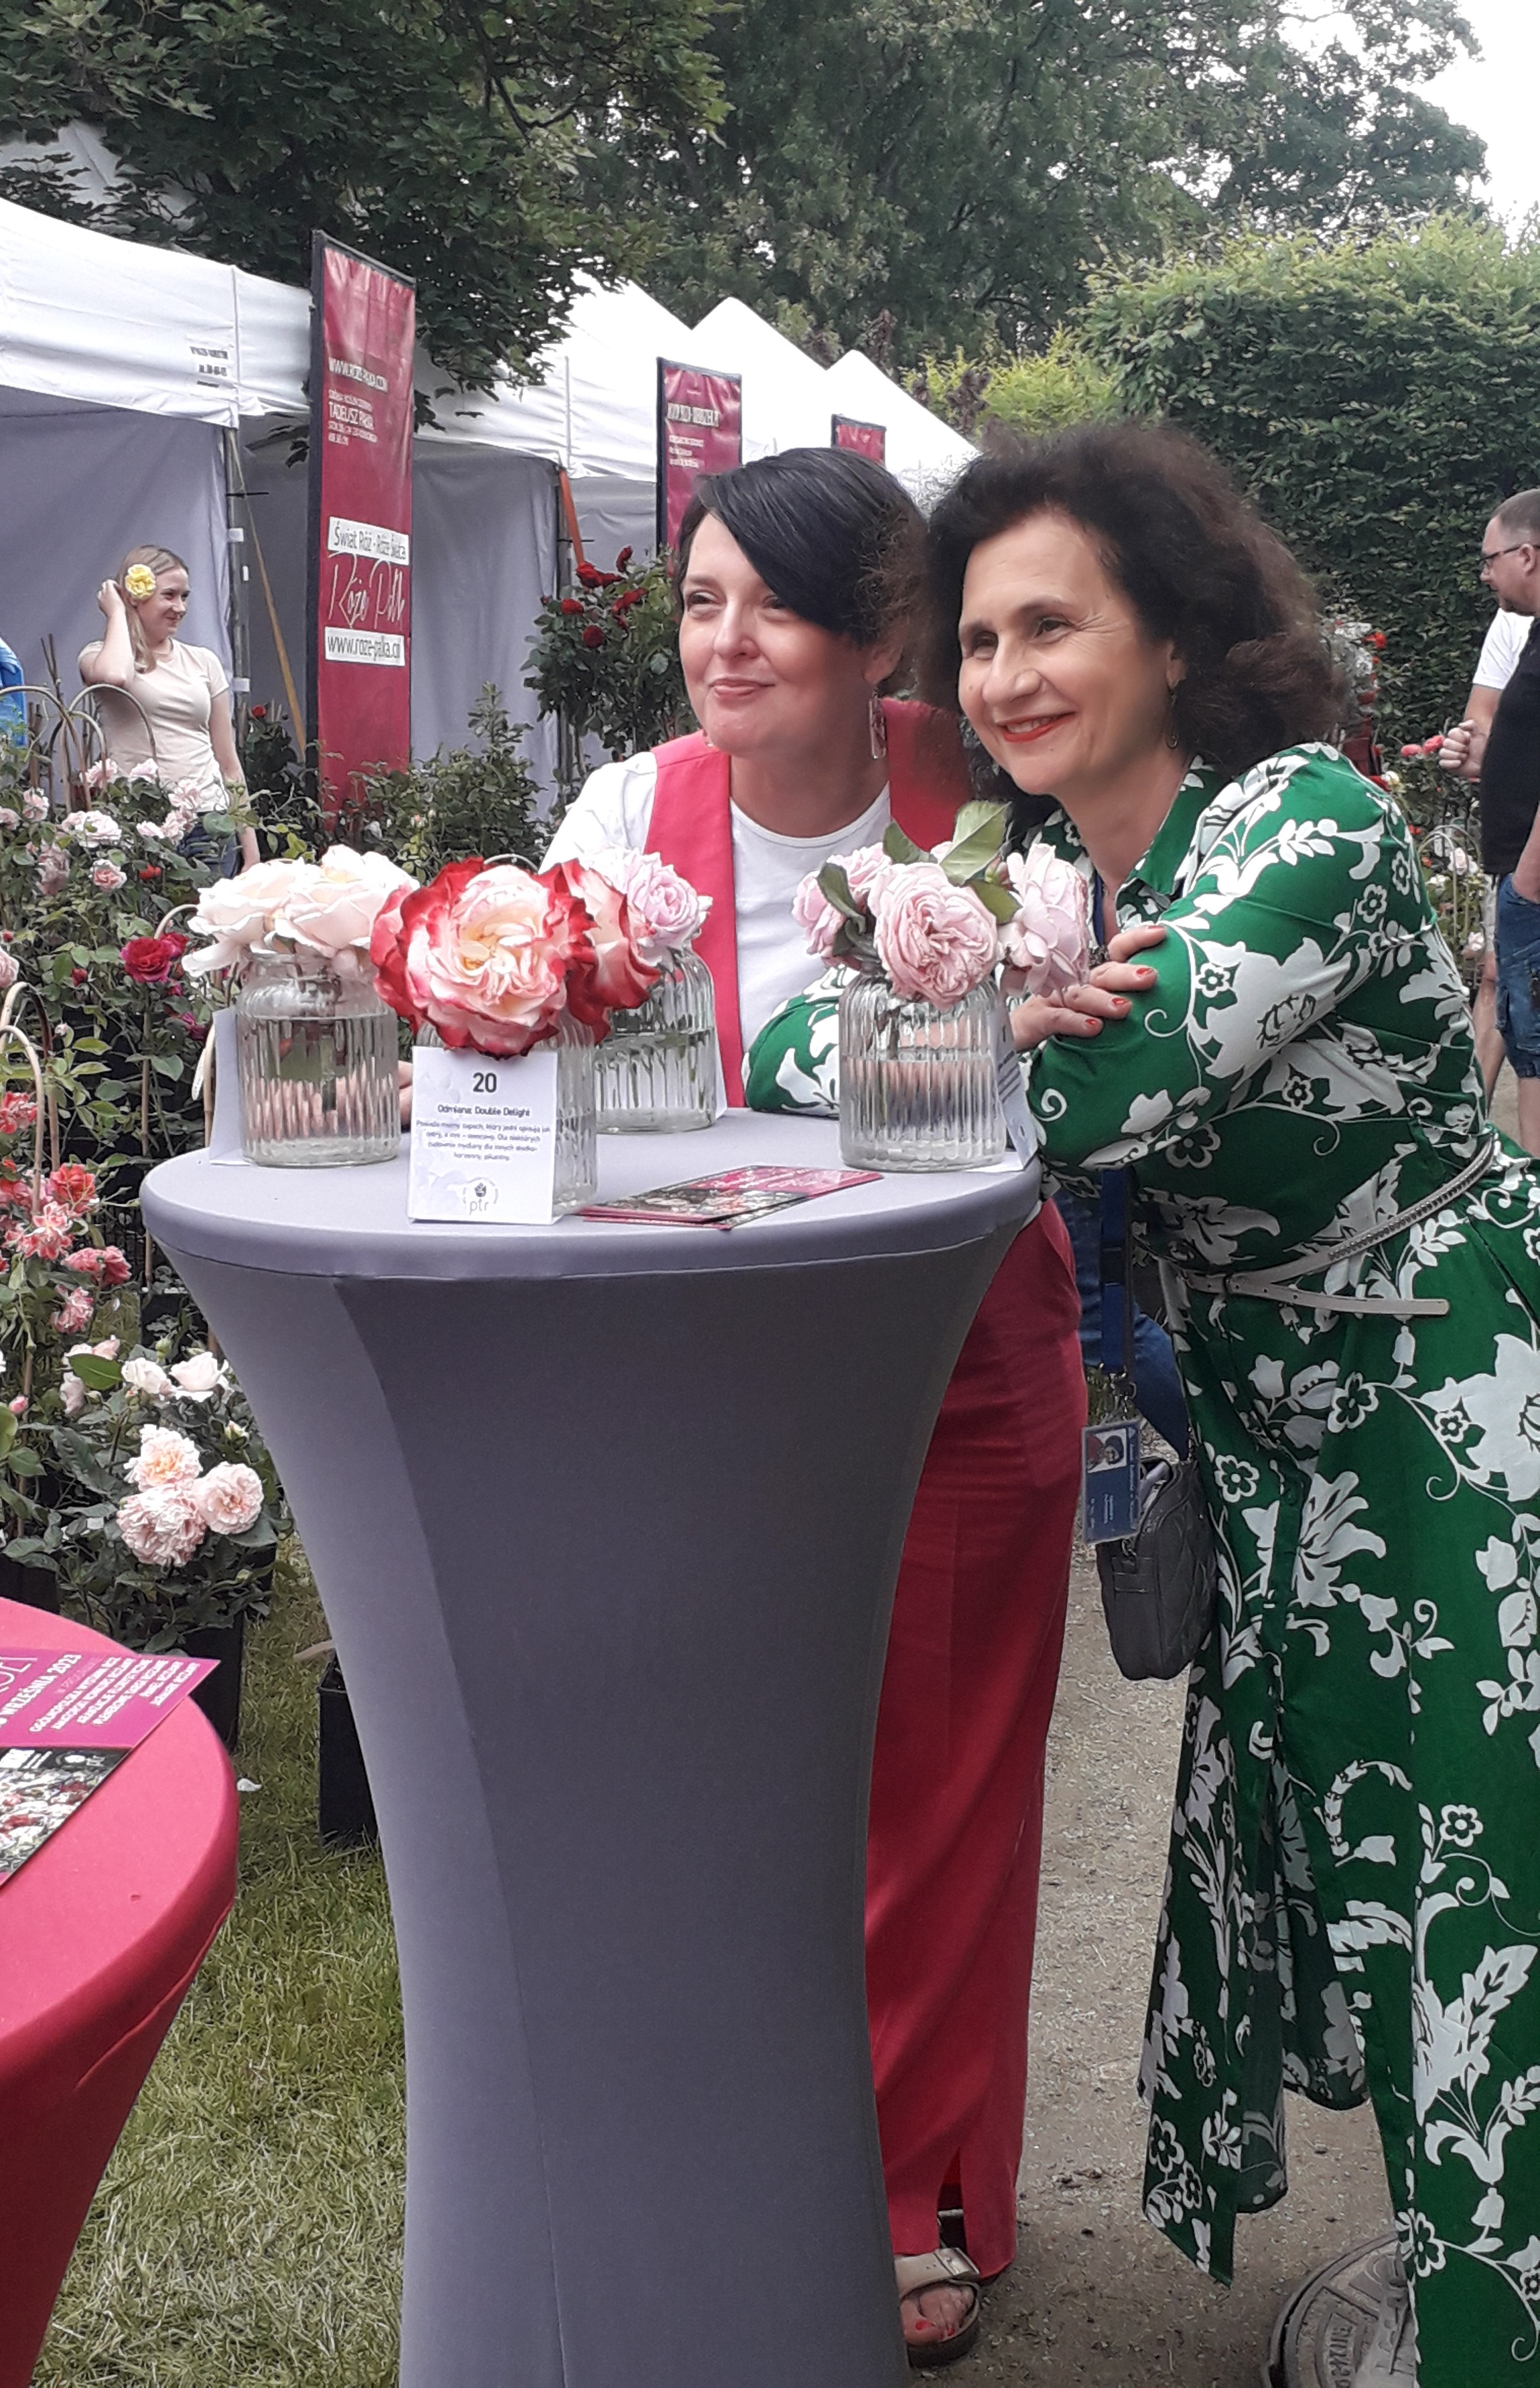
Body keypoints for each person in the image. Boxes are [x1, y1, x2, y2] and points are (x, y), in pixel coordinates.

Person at [920, 418, 1540, 2385]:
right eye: (976, 638)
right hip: (1286, 1443)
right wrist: (973, 1016)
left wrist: (968, 1034)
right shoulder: (1051, 876)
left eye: (1049, 624)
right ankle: (1463, 2279)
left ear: (1176, 637)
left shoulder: (1306, 822)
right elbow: (802, 1036)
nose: (1001, 674)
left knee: (1475, 1893)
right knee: (1374, 1874)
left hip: (1450, 1411)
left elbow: (1112, 1084)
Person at [547, 447, 1086, 2368]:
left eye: (770, 606)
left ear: (877, 637)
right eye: (699, 602)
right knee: (718, 1794)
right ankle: (723, 2162)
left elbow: (1063, 1061)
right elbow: (543, 1060)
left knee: (937, 1788)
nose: (724, 641)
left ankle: (907, 2187)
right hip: (701, 1376)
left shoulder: (987, 799)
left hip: (956, 1364)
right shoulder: (628, 811)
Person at [1439, 495, 1540, 1152]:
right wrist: (1486, 760)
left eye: (1490, 559)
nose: (1484, 574)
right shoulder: (1529, 632)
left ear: (1527, 556)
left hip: (1533, 881)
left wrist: (1527, 883)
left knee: (1537, 1050)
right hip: (1523, 876)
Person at [79, 543, 252, 836]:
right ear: (135, 597)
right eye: (169, 595)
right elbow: (115, 676)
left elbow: (228, 762)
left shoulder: (203, 661)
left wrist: (251, 848)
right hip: (141, 820)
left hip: (209, 818)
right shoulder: (97, 656)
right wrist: (117, 612)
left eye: (184, 597)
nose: (180, 608)